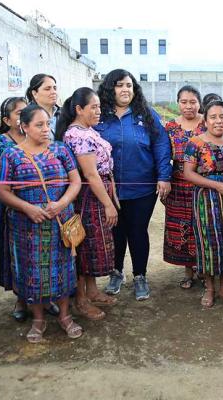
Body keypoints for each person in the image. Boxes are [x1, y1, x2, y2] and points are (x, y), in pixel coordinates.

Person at [0, 104, 83, 343]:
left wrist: (61, 204)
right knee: (31, 271)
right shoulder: (11, 155)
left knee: (64, 268)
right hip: (27, 225)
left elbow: (75, 182)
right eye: (39, 125)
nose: (46, 129)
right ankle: (38, 319)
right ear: (23, 127)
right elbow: (2, 191)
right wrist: (28, 208)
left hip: (60, 222)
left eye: (47, 124)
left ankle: (65, 316)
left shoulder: (61, 150)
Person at [95, 69, 172, 301]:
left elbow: (161, 145)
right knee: (115, 232)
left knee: (138, 231)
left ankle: (140, 276)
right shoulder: (100, 116)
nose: (125, 89)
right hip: (109, 189)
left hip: (142, 188)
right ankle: (116, 273)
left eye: (129, 85)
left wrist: (164, 176)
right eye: (119, 85)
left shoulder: (146, 114)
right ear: (110, 89)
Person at [58, 87, 119, 321]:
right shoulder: (78, 136)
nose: (98, 111)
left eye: (99, 107)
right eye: (93, 107)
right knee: (83, 245)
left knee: (93, 245)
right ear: (78, 109)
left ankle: (92, 291)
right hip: (89, 196)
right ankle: (80, 300)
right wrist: (108, 204)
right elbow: (91, 175)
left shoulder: (87, 131)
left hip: (98, 190)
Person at [182, 100, 223, 308]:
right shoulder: (196, 143)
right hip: (207, 199)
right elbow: (188, 173)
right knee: (208, 242)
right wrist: (217, 186)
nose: (219, 121)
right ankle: (209, 288)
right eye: (213, 117)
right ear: (205, 120)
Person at [0, 96, 29, 321]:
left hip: (42, 206)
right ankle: (21, 299)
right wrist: (16, 189)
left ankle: (45, 298)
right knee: (17, 253)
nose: (25, 116)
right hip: (13, 209)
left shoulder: (40, 136)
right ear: (7, 119)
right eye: (19, 113)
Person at [164, 85, 205, 289]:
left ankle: (204, 269)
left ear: (199, 103)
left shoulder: (208, 123)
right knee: (181, 227)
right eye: (184, 102)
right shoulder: (170, 127)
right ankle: (188, 272)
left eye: (193, 102)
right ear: (178, 103)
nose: (188, 106)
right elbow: (163, 155)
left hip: (203, 183)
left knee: (202, 225)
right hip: (178, 184)